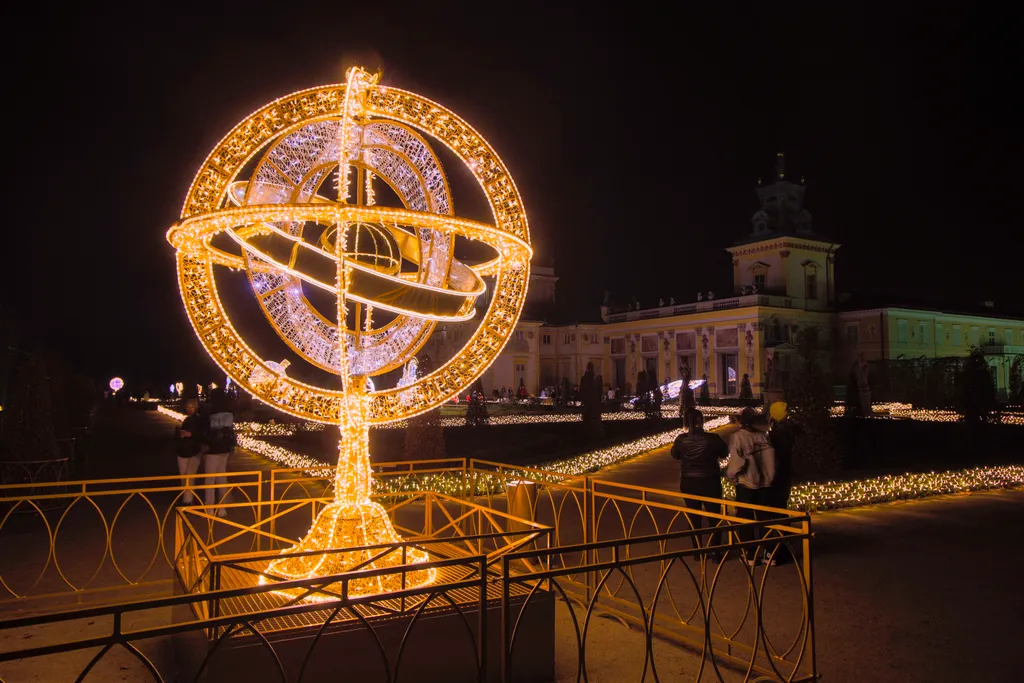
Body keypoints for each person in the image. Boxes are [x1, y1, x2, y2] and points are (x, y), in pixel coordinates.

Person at [671, 408, 729, 559]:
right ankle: (716, 552)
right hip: (710, 480)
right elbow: (724, 453)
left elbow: (675, 454)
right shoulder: (713, 438)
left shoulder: (681, 439)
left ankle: (698, 551)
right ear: (701, 421)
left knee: (694, 517)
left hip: (689, 481)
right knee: (714, 517)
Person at [726, 407, 776, 566]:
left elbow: (737, 461)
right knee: (765, 519)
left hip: (746, 483)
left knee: (746, 519)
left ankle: (750, 553)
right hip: (765, 483)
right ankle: (769, 553)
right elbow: (771, 458)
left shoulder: (738, 437)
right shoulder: (762, 436)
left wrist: (731, 475)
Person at [202, 389, 236, 516]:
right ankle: (222, 507)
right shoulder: (229, 414)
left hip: (212, 449)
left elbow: (206, 432)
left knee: (209, 479)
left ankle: (209, 507)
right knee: (222, 477)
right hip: (225, 448)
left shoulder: (211, 414)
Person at [173, 399, 206, 504]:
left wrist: (192, 435)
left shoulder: (199, 420)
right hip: (183, 450)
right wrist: (180, 434)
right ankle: (186, 498)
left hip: (193, 451)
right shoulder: (187, 420)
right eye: (187, 406)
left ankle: (188, 500)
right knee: (184, 476)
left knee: (189, 476)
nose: (188, 409)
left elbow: (201, 434)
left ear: (196, 408)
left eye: (191, 406)